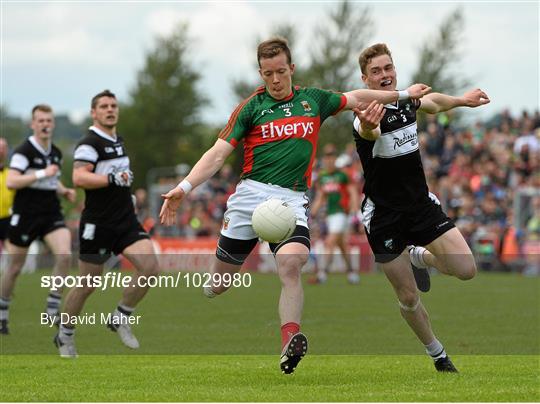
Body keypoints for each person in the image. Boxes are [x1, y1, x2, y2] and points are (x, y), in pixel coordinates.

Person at [160, 37, 431, 374]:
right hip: (249, 199)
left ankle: (290, 340)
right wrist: (184, 187)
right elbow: (217, 153)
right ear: (261, 73)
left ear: (292, 68)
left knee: (292, 264)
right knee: (219, 284)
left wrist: (404, 94)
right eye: (267, 73)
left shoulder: (313, 100)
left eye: (280, 71)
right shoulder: (250, 108)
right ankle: (213, 283)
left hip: (290, 198)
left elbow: (357, 97)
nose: (275, 80)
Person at [352, 43, 490, 372]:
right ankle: (438, 354)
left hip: (420, 207)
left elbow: (432, 102)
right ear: (365, 79)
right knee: (409, 298)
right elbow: (366, 131)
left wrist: (462, 101)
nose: (384, 75)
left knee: (466, 270)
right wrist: (370, 125)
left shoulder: (407, 100)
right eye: (376, 71)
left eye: (388, 68)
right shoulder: (365, 113)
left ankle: (419, 256)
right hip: (384, 218)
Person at [54, 90, 159, 358]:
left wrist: (126, 193)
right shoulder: (89, 143)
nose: (110, 109)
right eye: (104, 106)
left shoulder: (117, 140)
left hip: (125, 219)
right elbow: (79, 178)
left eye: (113, 105)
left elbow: (119, 177)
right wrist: (112, 180)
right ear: (94, 112)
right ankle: (64, 334)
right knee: (88, 283)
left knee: (150, 267)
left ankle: (121, 316)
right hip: (98, 224)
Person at [0, 105, 76, 335]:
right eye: (40, 121)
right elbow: (12, 181)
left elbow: (52, 179)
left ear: (53, 124)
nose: (45, 124)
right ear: (32, 125)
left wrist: (63, 190)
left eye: (48, 121)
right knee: (15, 267)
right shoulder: (24, 151)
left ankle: (52, 306)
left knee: (64, 255)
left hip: (51, 212)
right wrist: (42, 174)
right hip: (26, 214)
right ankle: (2, 312)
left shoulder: (56, 153)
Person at [309, 143, 360, 284]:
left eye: (331, 156)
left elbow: (353, 192)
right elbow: (321, 196)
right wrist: (312, 212)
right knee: (342, 245)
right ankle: (352, 273)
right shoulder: (322, 176)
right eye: (327, 156)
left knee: (330, 241)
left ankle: (321, 273)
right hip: (330, 214)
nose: (329, 159)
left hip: (342, 213)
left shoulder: (343, 175)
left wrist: (355, 212)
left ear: (335, 158)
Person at [0, 138, 14, 252]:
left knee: (12, 252)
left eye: (3, 148)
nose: (1, 150)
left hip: (7, 218)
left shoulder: (11, 173)